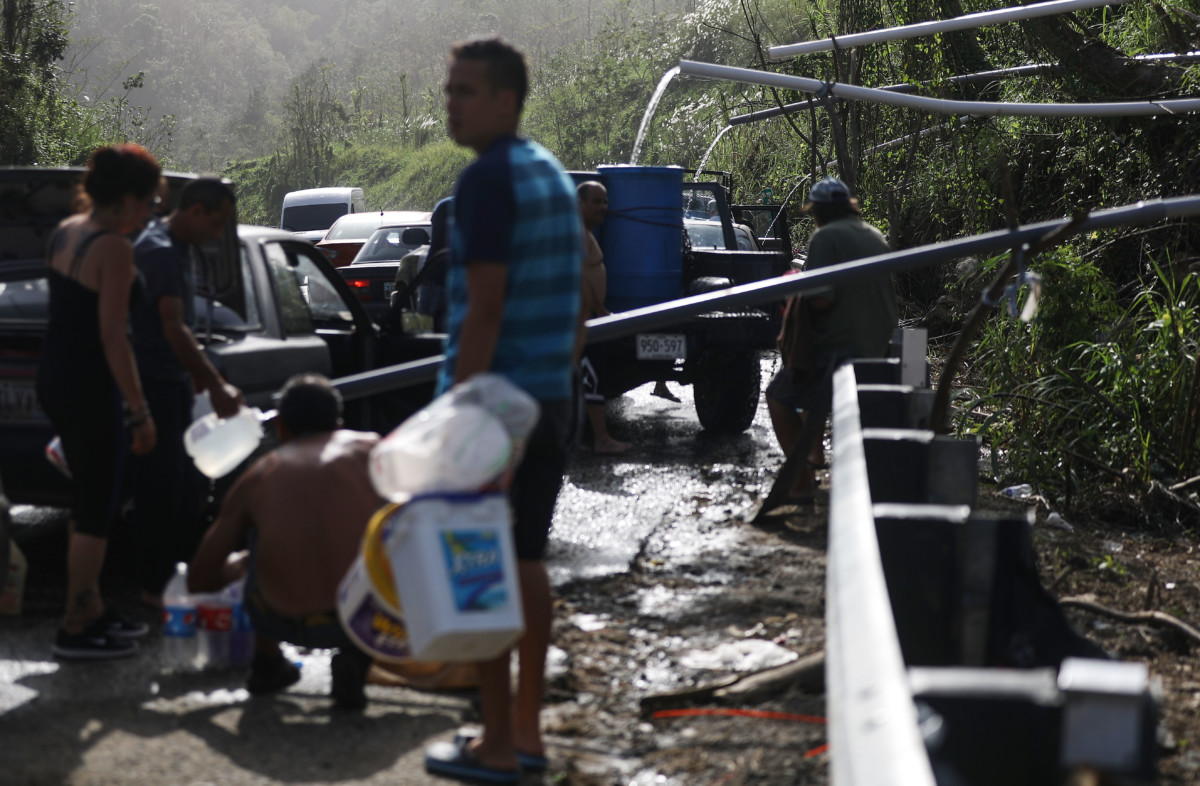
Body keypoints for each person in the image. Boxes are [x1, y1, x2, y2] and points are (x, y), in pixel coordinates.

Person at [423, 36, 581, 784]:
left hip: (496, 408)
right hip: (550, 397)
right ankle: (527, 731)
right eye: (448, 89)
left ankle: (494, 744)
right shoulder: (549, 173)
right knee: (525, 560)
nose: (449, 102)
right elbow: (578, 299)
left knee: (476, 567)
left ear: (506, 99)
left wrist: (461, 418)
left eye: (464, 91)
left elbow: (482, 310)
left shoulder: (485, 181)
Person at [187, 374, 379, 709]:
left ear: (281, 427)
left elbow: (199, 579)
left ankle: (267, 661)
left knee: (250, 553)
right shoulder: (371, 449)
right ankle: (355, 658)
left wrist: (246, 566)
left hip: (277, 616)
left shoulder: (257, 476)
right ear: (339, 423)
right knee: (387, 536)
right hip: (358, 620)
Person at [38, 144, 162, 659]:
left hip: (56, 377)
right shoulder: (114, 249)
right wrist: (140, 411)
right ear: (128, 199)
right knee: (98, 507)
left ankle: (89, 607)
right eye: (150, 201)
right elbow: (115, 338)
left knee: (87, 499)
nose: (153, 212)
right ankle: (75, 625)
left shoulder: (67, 230)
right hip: (90, 384)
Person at [131, 177, 243, 605]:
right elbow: (171, 326)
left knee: (182, 489)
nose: (218, 234)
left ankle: (178, 580)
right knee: (160, 490)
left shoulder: (179, 246)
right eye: (216, 223)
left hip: (172, 382)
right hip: (154, 384)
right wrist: (213, 384)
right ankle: (152, 588)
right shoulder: (159, 251)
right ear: (194, 211)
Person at [765, 177, 897, 503]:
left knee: (778, 397)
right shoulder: (873, 234)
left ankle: (799, 481)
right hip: (876, 342)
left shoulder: (825, 237)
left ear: (818, 212)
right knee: (810, 390)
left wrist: (793, 293)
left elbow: (821, 300)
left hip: (844, 346)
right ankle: (813, 457)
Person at [575, 181, 631, 454]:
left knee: (581, 380)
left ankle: (577, 439)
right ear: (580, 203)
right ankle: (601, 439)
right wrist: (599, 310)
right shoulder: (576, 232)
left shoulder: (584, 232)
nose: (603, 207)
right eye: (596, 201)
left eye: (605, 202)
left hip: (586, 320)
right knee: (591, 378)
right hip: (584, 321)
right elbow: (580, 277)